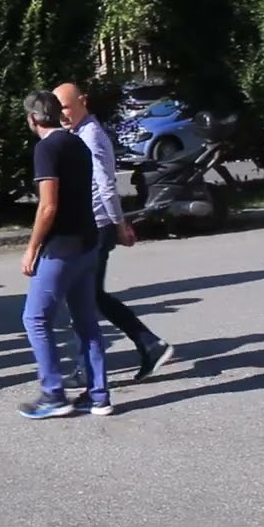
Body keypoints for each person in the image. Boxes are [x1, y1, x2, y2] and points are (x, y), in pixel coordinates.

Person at [55, 83, 174, 384]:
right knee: (90, 297)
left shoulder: (92, 136)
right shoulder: (78, 134)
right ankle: (148, 344)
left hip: (97, 226)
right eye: (58, 111)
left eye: (66, 108)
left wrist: (119, 225)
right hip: (90, 225)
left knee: (84, 298)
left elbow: (107, 186)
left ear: (83, 102)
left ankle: (96, 365)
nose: (62, 116)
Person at [17, 91, 110, 419]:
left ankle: (53, 393)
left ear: (32, 119)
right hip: (88, 241)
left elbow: (49, 205)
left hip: (61, 247)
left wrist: (32, 248)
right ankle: (98, 394)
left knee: (35, 317)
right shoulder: (78, 143)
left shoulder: (47, 148)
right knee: (86, 321)